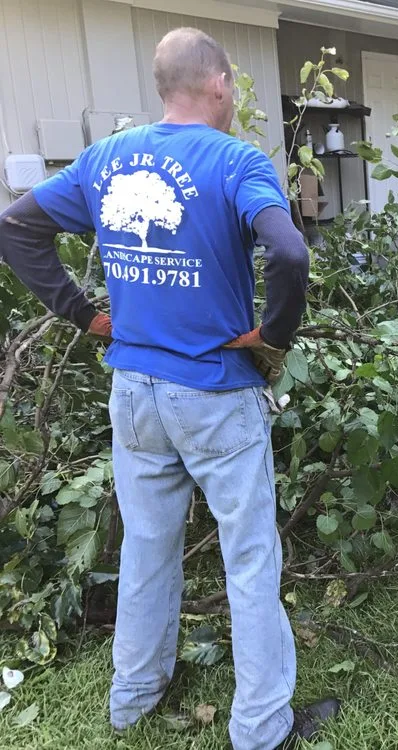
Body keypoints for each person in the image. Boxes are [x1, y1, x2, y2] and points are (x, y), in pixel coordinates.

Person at [0, 28, 338, 750]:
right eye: (230, 85)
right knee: (249, 560)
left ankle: (133, 699)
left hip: (135, 391)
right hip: (214, 391)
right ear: (217, 84)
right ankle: (260, 730)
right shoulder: (238, 160)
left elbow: (17, 226)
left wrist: (82, 315)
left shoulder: (107, 158)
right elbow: (287, 249)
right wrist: (273, 336)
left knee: (147, 548)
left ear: (164, 87)